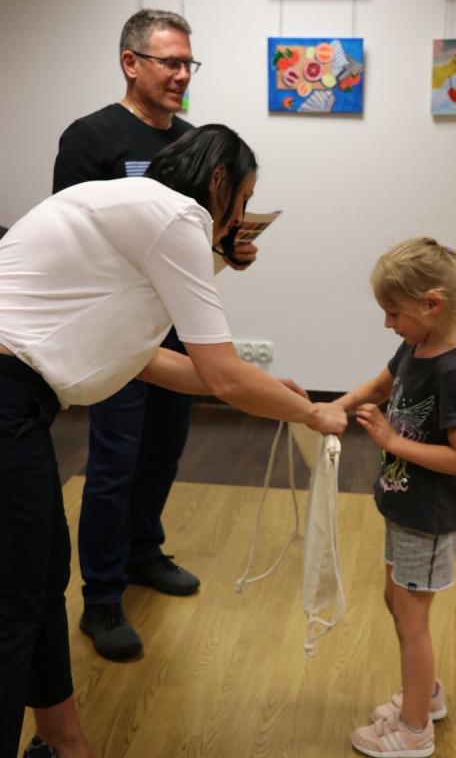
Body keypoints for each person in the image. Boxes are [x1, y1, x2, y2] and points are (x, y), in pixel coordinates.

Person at [0, 123, 347, 758]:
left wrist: (275, 393)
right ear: (218, 182)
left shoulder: (131, 209)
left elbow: (152, 361)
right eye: (242, 200)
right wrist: (311, 413)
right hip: (7, 397)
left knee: (41, 575)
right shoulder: (177, 217)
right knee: (15, 599)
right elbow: (223, 374)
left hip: (17, 402)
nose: (238, 219)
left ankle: (63, 740)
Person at [53, 9, 258, 661]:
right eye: (169, 62)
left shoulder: (194, 141)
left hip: (174, 325)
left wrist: (231, 247)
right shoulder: (90, 137)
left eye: (187, 63)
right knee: (113, 461)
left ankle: (143, 551)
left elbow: (195, 236)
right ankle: (101, 597)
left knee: (164, 449)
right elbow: (73, 237)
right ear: (130, 62)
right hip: (116, 330)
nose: (181, 75)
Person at [335, 237, 456, 758]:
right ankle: (427, 695)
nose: (387, 323)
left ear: (431, 305)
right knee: (395, 603)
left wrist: (392, 442)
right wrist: (336, 407)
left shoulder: (453, 370)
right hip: (403, 507)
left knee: (411, 621)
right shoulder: (415, 347)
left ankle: (415, 730)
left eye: (394, 313)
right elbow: (380, 386)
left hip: (429, 518)